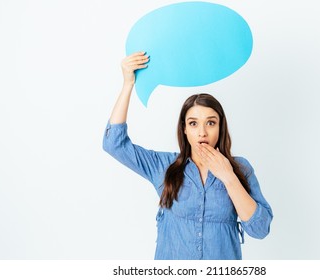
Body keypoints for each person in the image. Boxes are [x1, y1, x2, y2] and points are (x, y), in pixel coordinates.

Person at [103, 51, 273, 260]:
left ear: (220, 127)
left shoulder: (241, 168)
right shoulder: (164, 166)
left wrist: (228, 177)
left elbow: (260, 229)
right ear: (184, 129)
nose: (202, 132)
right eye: (193, 123)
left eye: (210, 122)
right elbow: (114, 144)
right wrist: (128, 84)